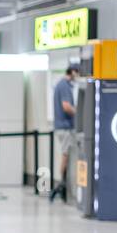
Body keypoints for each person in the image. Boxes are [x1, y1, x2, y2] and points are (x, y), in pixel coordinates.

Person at [51, 65, 79, 202]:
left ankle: (63, 184)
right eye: (77, 73)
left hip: (61, 126)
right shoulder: (65, 86)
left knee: (65, 154)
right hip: (66, 127)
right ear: (72, 72)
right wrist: (79, 114)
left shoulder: (60, 84)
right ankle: (62, 184)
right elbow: (66, 106)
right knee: (66, 154)